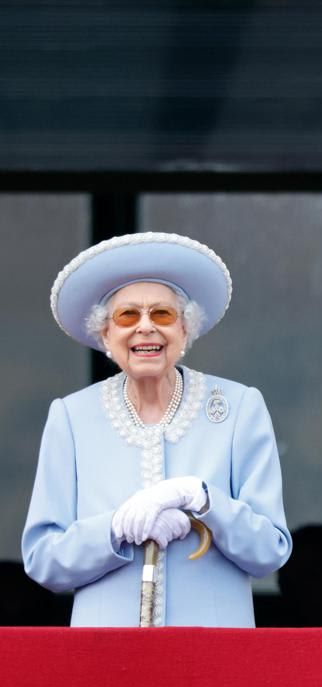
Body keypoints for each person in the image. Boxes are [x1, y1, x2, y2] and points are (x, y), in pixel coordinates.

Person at [23, 232, 292, 626]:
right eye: (127, 316)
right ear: (105, 336)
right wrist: (114, 528)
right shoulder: (71, 417)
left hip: (214, 651)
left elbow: (269, 550)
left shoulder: (239, 408)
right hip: (106, 651)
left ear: (185, 331)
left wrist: (202, 499)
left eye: (163, 315)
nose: (145, 328)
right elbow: (43, 559)